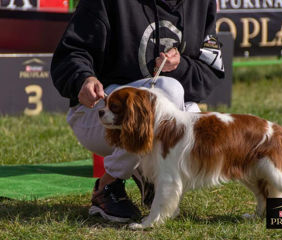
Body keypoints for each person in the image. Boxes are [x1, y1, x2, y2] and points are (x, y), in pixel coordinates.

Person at [51, 0, 224, 223]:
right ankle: (107, 185)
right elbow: (71, 53)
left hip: (156, 119)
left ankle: (151, 175)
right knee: (167, 90)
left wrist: (181, 66)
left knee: (192, 114)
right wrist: (83, 79)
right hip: (100, 113)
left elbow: (210, 71)